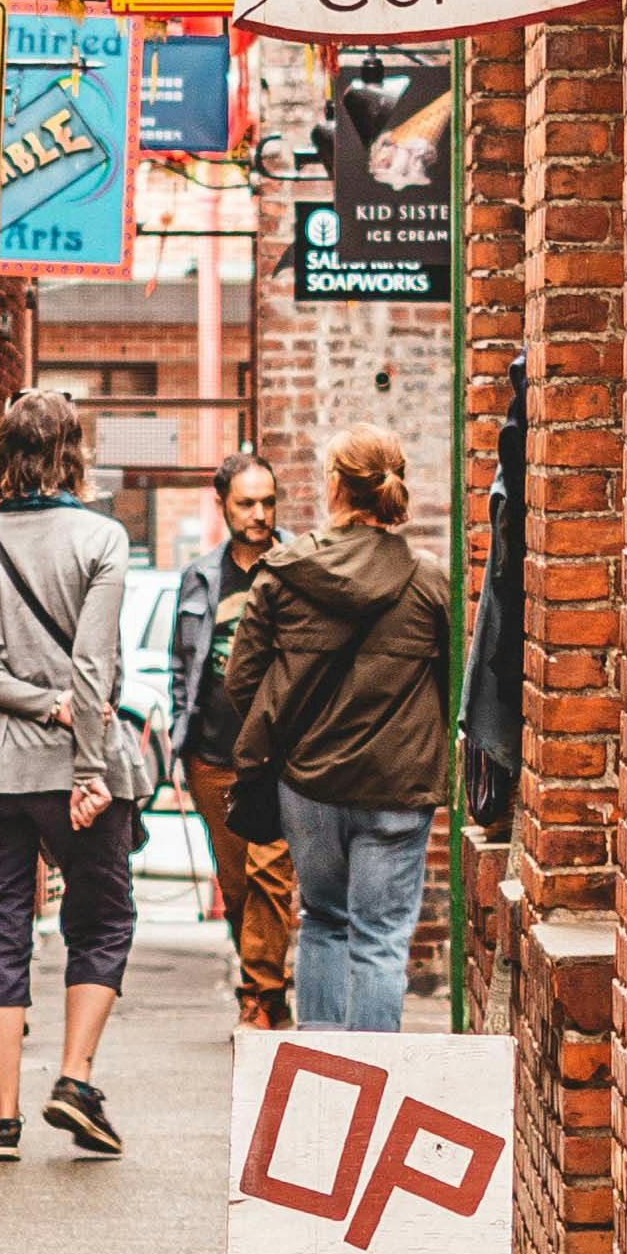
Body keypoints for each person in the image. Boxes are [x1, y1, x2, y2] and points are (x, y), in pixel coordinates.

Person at [0, 387, 143, 1164]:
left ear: (0, 461)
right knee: (100, 917)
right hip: (70, 767)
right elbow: (94, 666)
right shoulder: (101, 540)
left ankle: (1, 1116)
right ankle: (76, 1080)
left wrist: (26, 698)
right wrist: (86, 759)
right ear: (72, 455)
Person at [222, 430, 450, 1034]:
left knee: (323, 919)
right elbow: (456, 687)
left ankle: (319, 1082)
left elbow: (241, 682)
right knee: (379, 938)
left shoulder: (284, 575)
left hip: (309, 786)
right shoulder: (430, 581)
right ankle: (372, 1087)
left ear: (334, 486)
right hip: (398, 787)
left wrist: (291, 734)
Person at [168, 452, 298, 1031]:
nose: (260, 514)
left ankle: (261, 997)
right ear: (223, 504)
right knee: (238, 883)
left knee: (273, 875)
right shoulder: (200, 576)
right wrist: (179, 740)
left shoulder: (300, 562)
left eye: (268, 502)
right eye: (247, 503)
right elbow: (182, 664)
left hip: (280, 754)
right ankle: (263, 980)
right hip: (213, 754)